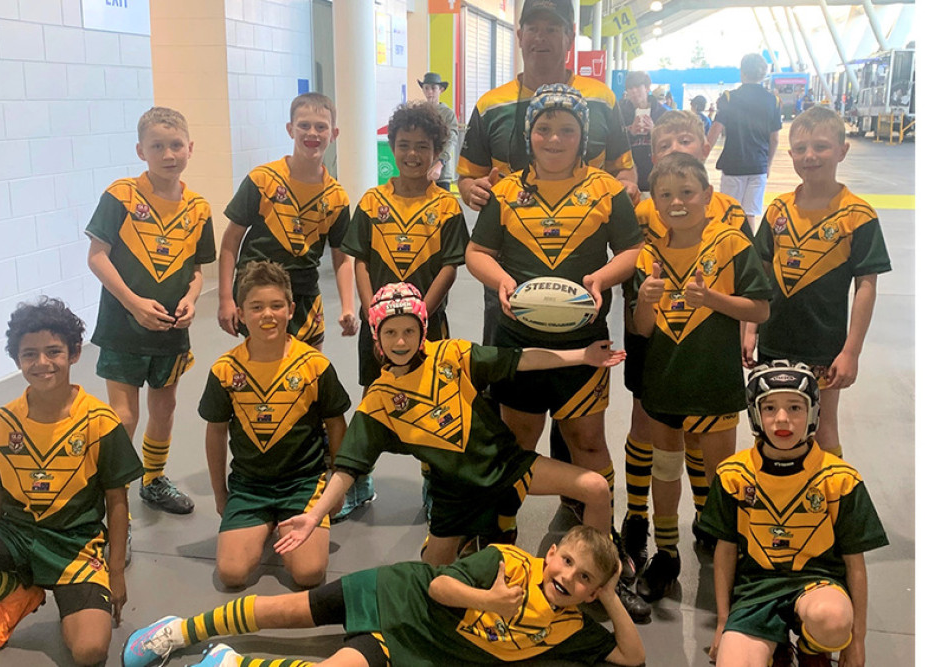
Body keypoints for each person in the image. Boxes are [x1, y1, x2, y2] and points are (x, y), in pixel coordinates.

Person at [273, 282, 626, 569]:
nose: (400, 341)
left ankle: (599, 575)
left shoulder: (452, 355)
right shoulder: (378, 400)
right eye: (391, 332)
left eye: (409, 331)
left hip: (507, 469)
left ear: (422, 331)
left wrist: (583, 356)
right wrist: (314, 514)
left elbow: (521, 359)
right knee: (432, 582)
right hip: (453, 496)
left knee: (595, 488)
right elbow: (347, 469)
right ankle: (472, 539)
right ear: (376, 339)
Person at [465, 83, 649, 622]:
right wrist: (500, 282)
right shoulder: (506, 192)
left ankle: (602, 557)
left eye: (566, 129)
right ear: (530, 135)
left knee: (587, 441)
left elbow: (633, 249)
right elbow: (478, 251)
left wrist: (600, 278)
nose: (553, 137)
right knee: (517, 439)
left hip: (583, 344)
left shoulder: (605, 190)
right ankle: (497, 545)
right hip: (518, 342)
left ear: (582, 137)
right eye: (544, 128)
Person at [121, 526, 645, 667]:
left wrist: (612, 591)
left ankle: (230, 662)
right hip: (397, 594)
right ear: (550, 552)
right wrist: (488, 601)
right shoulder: (508, 562)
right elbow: (439, 585)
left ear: (592, 593)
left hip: (416, 649)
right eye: (568, 562)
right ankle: (179, 629)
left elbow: (631, 655)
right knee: (286, 610)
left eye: (585, 581)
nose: (569, 579)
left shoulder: (570, 628)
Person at [0, 298, 143, 664]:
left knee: (89, 651)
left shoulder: (99, 422)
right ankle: (15, 593)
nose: (41, 363)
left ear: (73, 354)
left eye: (53, 351)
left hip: (75, 547)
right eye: (29, 354)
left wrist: (116, 572)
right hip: (17, 536)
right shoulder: (3, 422)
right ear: (17, 360)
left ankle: (67, 595)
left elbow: (117, 502)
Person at [457, 0, 636, 350]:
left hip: (581, 264)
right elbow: (467, 176)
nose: (542, 37)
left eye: (553, 29)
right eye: (534, 28)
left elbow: (624, 167)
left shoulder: (601, 99)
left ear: (570, 36)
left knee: (581, 369)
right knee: (509, 374)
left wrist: (625, 188)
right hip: (509, 265)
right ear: (520, 35)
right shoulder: (491, 104)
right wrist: (471, 191)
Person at [618, 110, 754, 573]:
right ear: (652, 157)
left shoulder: (730, 216)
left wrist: (747, 329)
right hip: (653, 325)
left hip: (705, 331)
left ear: (704, 147)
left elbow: (749, 287)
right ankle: (640, 518)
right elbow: (624, 261)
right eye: (665, 145)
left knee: (703, 431)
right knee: (648, 423)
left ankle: (707, 520)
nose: (676, 150)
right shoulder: (641, 209)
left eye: (685, 141)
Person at [631, 153, 771, 602]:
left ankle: (727, 547)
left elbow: (761, 309)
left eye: (687, 193)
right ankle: (666, 552)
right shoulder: (648, 254)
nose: (676, 203)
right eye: (665, 195)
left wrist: (713, 298)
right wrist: (647, 299)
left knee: (722, 476)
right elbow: (643, 328)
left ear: (708, 197)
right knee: (665, 467)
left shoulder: (731, 243)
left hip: (714, 384)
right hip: (663, 383)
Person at [702, 361, 888, 667]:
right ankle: (775, 645)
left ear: (814, 412)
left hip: (817, 584)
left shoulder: (839, 478)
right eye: (770, 408)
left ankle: (812, 649)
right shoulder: (733, 474)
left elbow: (855, 563)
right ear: (754, 414)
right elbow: (725, 550)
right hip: (755, 591)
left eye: (795, 407)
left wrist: (857, 640)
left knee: (833, 620)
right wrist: (723, 622)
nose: (782, 419)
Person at [338, 101, 470, 521]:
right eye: (404, 145)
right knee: (370, 398)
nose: (413, 154)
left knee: (433, 401)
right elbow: (358, 259)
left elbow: (450, 266)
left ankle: (435, 482)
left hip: (428, 327)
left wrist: (420, 315)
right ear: (392, 147)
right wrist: (371, 313)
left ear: (437, 152)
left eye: (423, 147)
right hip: (377, 329)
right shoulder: (373, 201)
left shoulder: (447, 205)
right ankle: (360, 482)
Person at [85, 106, 216, 515]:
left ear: (190, 148)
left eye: (176, 145)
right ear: (141, 151)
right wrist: (134, 303)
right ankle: (110, 492)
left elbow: (197, 271)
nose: (168, 154)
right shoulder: (120, 195)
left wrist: (192, 300)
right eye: (157, 146)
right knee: (123, 416)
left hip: (171, 332)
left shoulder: (199, 207)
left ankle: (153, 479)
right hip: (124, 327)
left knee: (165, 409)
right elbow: (97, 257)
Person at [742, 106, 892, 458]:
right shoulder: (778, 209)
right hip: (775, 340)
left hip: (824, 344)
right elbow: (759, 274)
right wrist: (750, 328)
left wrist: (851, 350)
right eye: (801, 148)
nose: (810, 156)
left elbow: (866, 287)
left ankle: (830, 503)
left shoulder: (858, 215)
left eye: (821, 146)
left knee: (822, 428)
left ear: (842, 150)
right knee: (771, 423)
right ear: (790, 153)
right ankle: (776, 499)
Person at [198, 261, 351, 590]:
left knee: (308, 574)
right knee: (232, 574)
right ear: (240, 312)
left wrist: (336, 485)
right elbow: (215, 432)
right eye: (256, 307)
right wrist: (220, 492)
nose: (267, 315)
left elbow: (337, 426)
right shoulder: (225, 370)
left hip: (304, 484)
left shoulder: (314, 364)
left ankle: (285, 521)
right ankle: (264, 523)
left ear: (291, 309)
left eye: (276, 305)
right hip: (249, 487)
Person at [217, 92, 358, 349]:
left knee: (309, 372)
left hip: (305, 295)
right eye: (304, 125)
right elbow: (231, 240)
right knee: (262, 372)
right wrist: (226, 297)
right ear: (290, 129)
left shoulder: (336, 197)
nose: (312, 133)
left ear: (334, 133)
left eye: (321, 127)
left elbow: (341, 257)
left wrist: (348, 306)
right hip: (257, 292)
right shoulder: (262, 180)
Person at [706, 53, 783, 230]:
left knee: (729, 212)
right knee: (750, 214)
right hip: (758, 166)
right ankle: (749, 251)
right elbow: (775, 138)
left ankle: (729, 251)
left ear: (742, 73)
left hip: (734, 165)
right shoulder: (774, 101)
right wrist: (768, 165)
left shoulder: (729, 98)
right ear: (764, 74)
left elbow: (716, 129)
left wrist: (702, 156)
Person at [617, 71, 671, 192]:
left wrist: (654, 131)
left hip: (656, 172)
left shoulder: (662, 113)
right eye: (630, 88)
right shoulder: (619, 113)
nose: (634, 91)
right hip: (629, 172)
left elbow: (671, 143)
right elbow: (613, 141)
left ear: (647, 88)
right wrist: (630, 131)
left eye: (637, 87)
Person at [418, 72, 460, 192]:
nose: (429, 92)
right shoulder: (419, 113)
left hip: (441, 173)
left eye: (433, 88)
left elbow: (451, 139)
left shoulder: (447, 114)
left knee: (443, 208)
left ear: (440, 90)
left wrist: (440, 163)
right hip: (421, 171)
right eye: (426, 88)